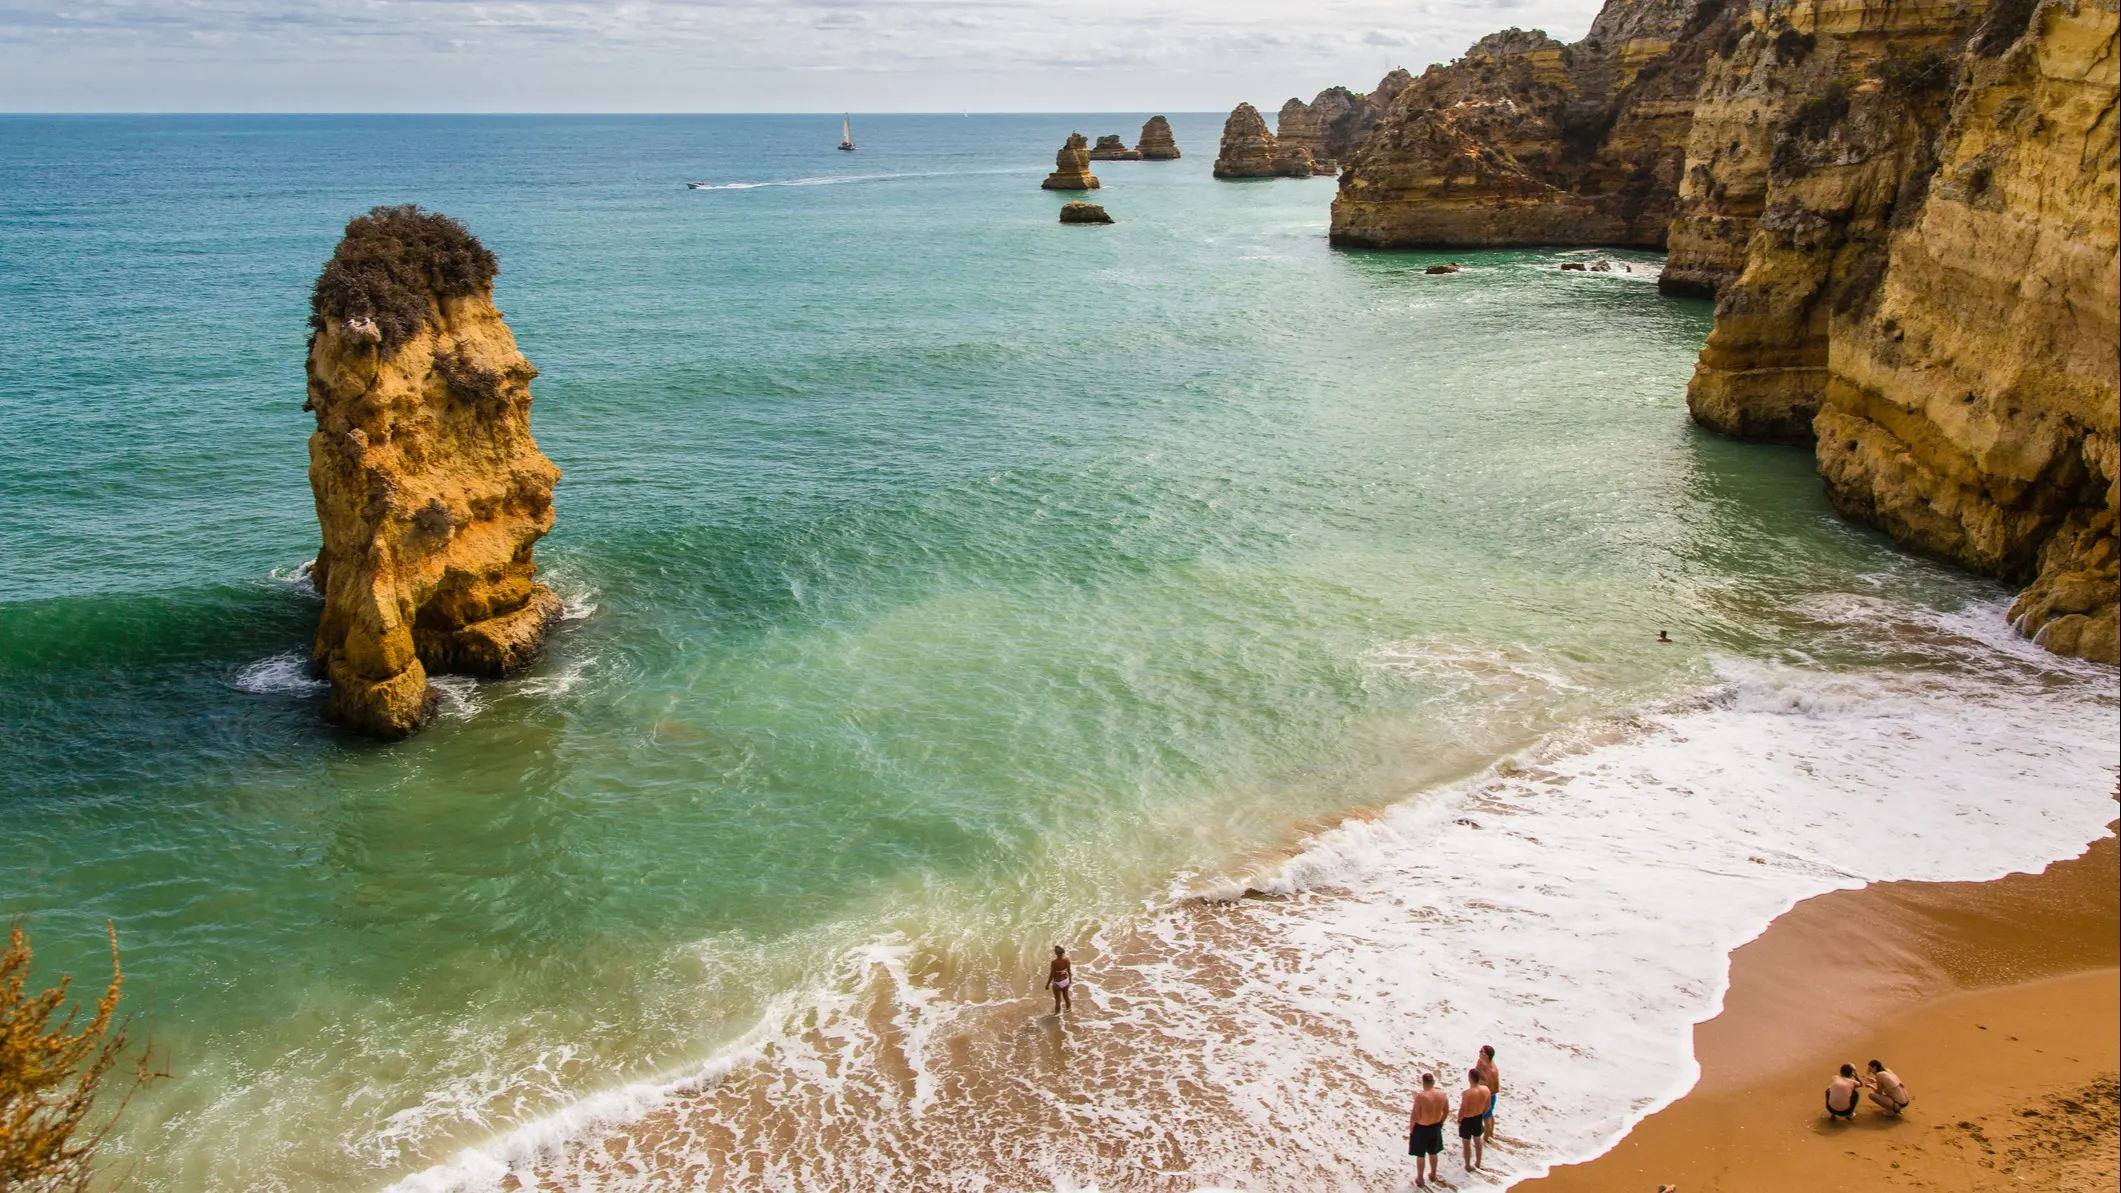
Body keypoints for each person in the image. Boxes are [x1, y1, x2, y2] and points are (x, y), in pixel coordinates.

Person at [1408, 1072, 1449, 1186]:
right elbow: (1446, 1111)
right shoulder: (1442, 1094)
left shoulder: (1421, 1097)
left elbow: (1415, 1116)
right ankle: (1433, 1174)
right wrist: (1441, 1122)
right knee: (1433, 1152)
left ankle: (1420, 1178)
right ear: (1433, 1082)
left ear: (1423, 1083)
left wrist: (1411, 1127)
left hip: (1422, 1128)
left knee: (1421, 1155)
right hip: (1435, 1126)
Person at [1459, 1067, 1492, 1171]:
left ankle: (1468, 1165)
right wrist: (1481, 1114)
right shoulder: (1486, 1089)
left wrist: (1459, 1120)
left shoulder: (1467, 1093)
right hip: (1478, 1118)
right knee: (1478, 1142)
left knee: (1466, 1143)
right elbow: (1488, 1106)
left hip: (1467, 1120)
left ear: (1470, 1078)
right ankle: (1478, 1163)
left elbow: (1463, 1109)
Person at [1474, 1044, 1501, 1141]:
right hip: (1486, 1093)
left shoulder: (1491, 1070)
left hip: (1489, 1095)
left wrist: (1476, 1083)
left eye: (1481, 1052)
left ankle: (1487, 1139)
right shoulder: (1481, 1061)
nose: (1479, 1053)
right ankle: (1490, 1134)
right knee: (1489, 1115)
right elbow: (1477, 1072)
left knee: (1487, 1118)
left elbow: (1492, 1087)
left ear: (1486, 1056)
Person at [1045, 945, 1073, 1013]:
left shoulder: (1054, 962)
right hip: (1066, 981)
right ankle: (1069, 1010)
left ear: (1056, 953)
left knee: (1057, 1001)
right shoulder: (1067, 959)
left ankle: (1057, 1014)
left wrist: (1047, 984)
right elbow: (1069, 971)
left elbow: (1052, 974)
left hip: (1057, 983)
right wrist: (1070, 980)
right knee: (1066, 997)